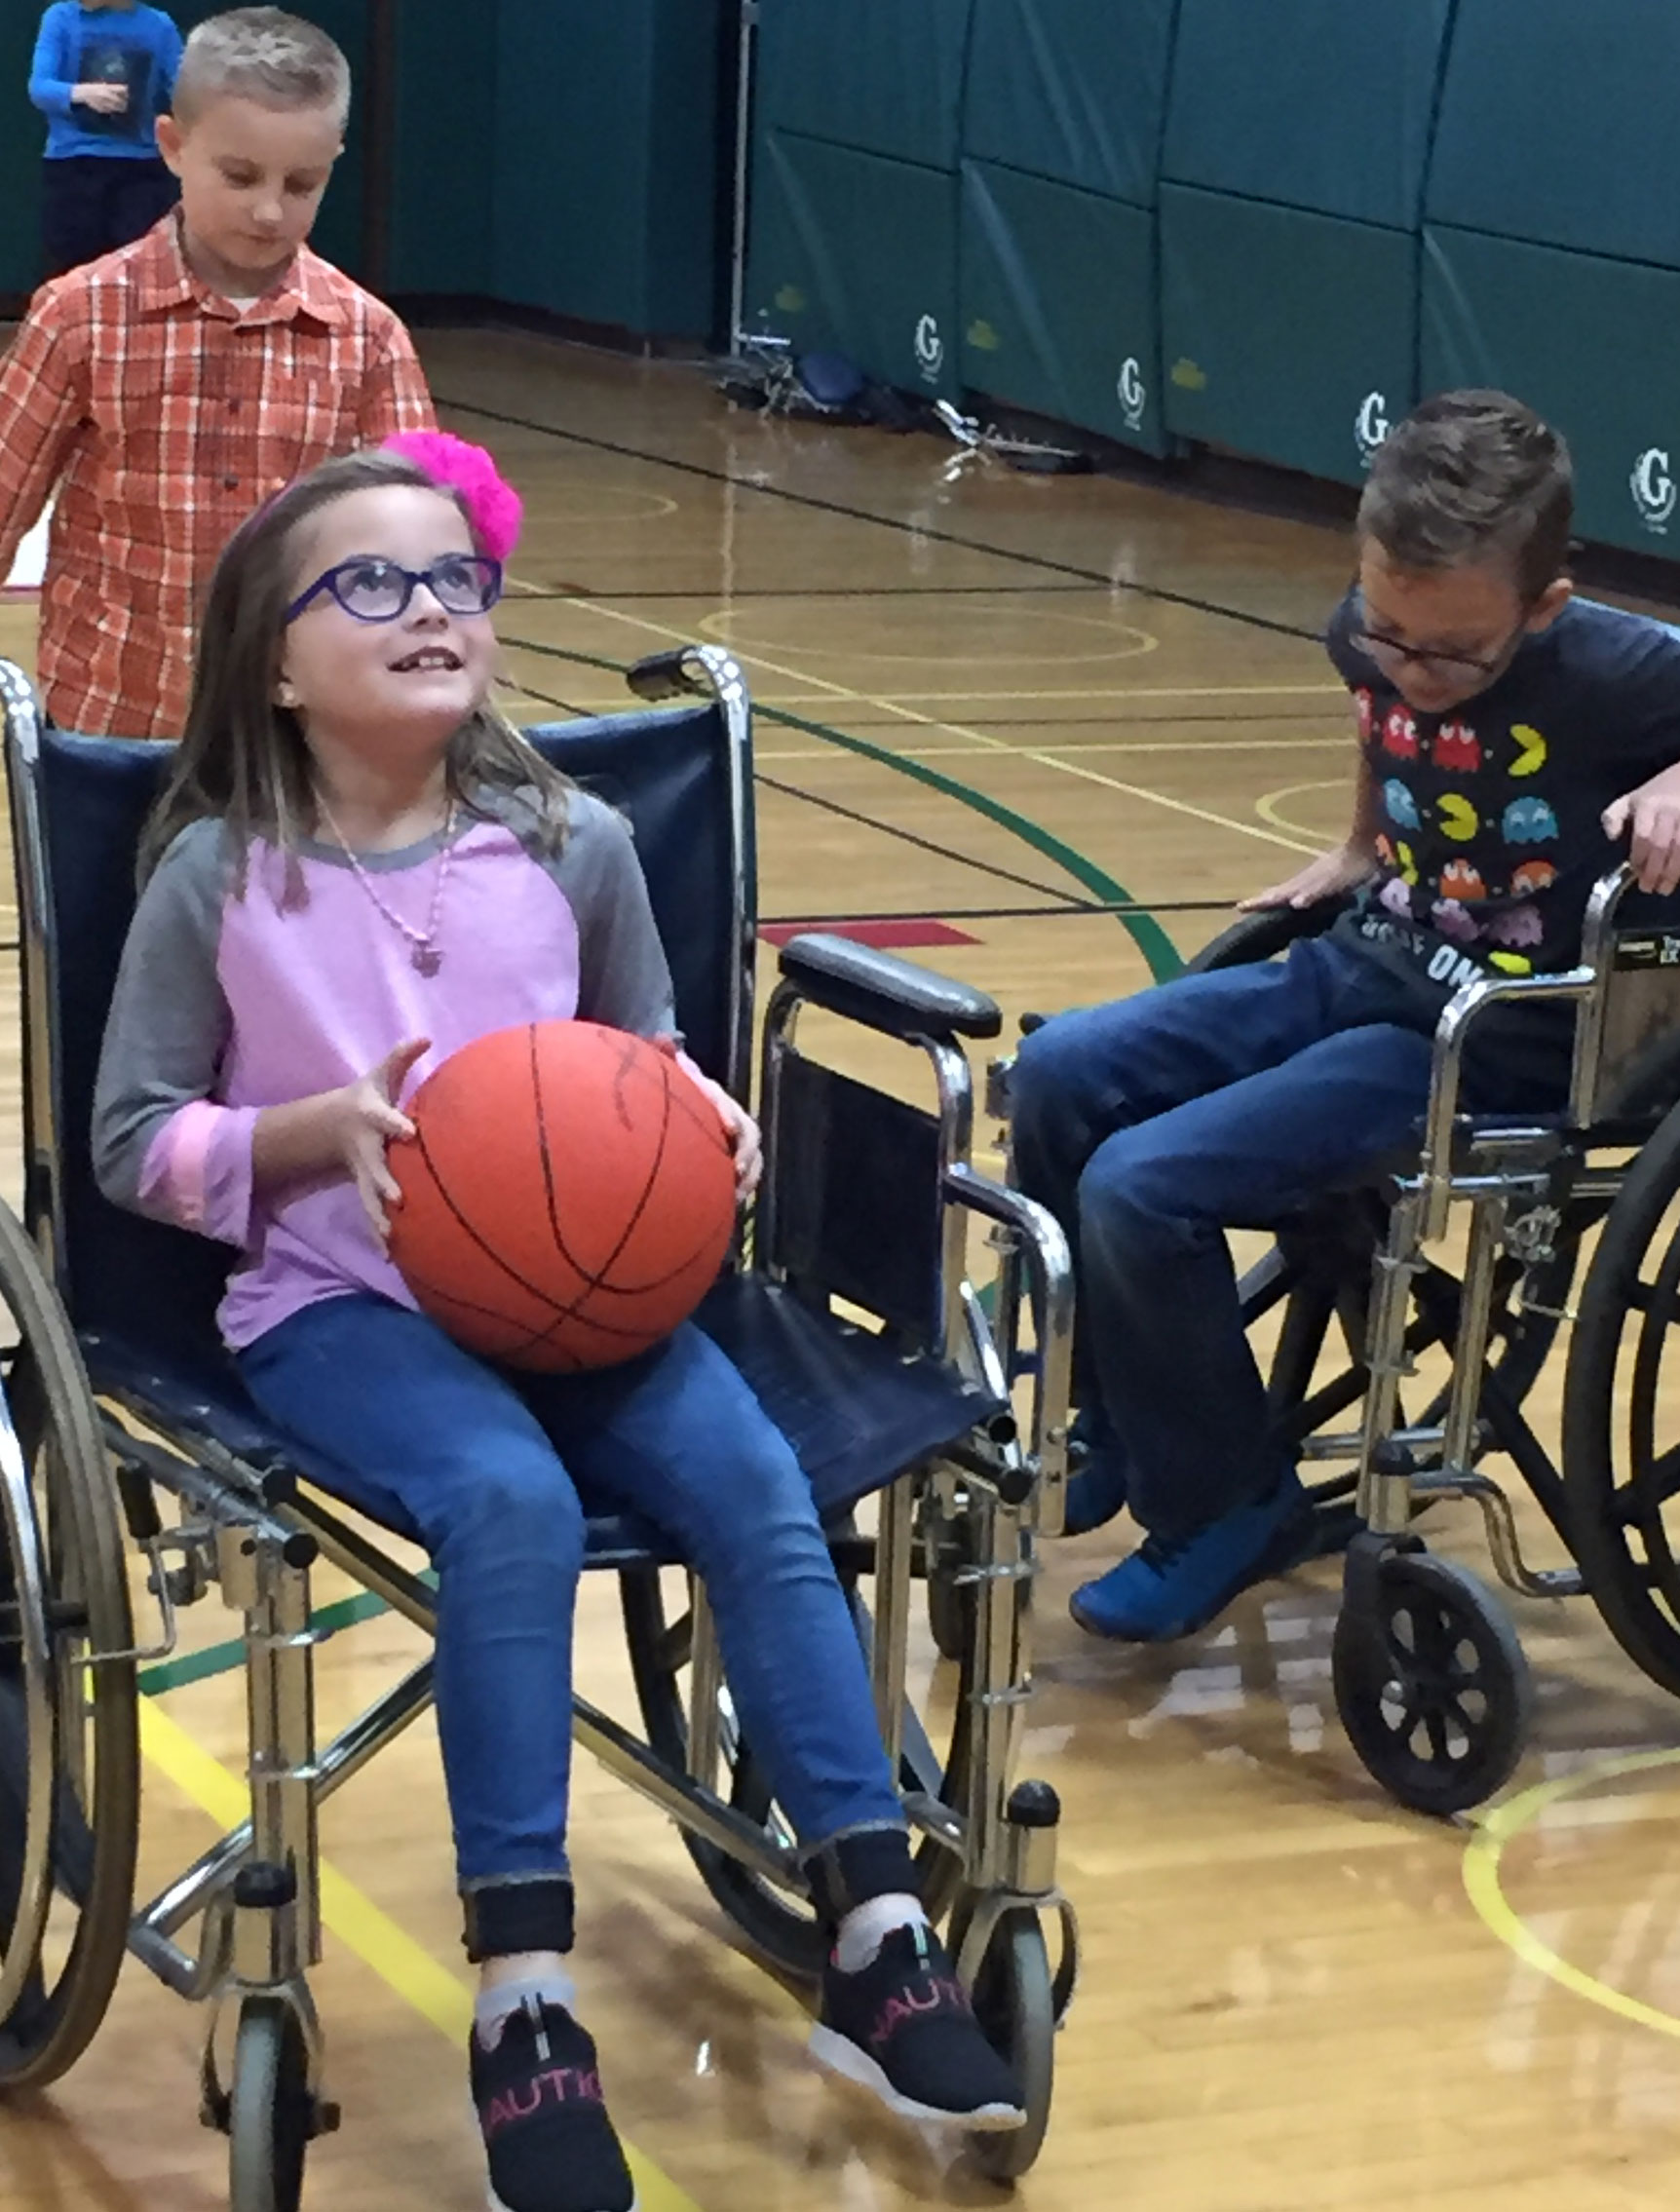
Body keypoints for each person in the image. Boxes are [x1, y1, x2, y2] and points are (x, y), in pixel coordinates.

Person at [91, 434, 1025, 2212]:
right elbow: (131, 1141)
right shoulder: (218, 874)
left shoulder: (573, 845)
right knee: (504, 1504)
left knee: (753, 1485)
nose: (430, 605)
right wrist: (306, 1135)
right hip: (338, 1299)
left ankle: (874, 1925)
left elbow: (644, 1059)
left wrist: (702, 1128)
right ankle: (522, 1995)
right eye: (371, 582)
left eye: (456, 578)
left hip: (584, 1290)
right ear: (273, 661)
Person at [1012, 390, 1680, 1645]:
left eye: (1453, 652)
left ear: (1543, 606)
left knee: (1139, 1186)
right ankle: (1119, 1411)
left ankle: (1222, 1508)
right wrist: (1357, 840)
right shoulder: (1369, 632)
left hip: (1476, 1039)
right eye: (1390, 632)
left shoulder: (1606, 666)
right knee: (1058, 1071)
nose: (1412, 667)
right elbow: (1385, 717)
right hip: (1367, 958)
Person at [0, 7, 434, 756]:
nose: (270, 209)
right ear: (170, 144)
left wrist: (429, 709)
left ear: (335, 159)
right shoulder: (80, 317)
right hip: (112, 729)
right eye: (239, 176)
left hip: (301, 742)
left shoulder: (368, 338)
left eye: (303, 183)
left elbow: (424, 546)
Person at [28, 0, 185, 280]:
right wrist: (82, 94)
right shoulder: (61, 17)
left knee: (138, 263)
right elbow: (40, 87)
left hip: (141, 166)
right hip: (74, 162)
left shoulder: (159, 26)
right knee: (71, 261)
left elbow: (182, 89)